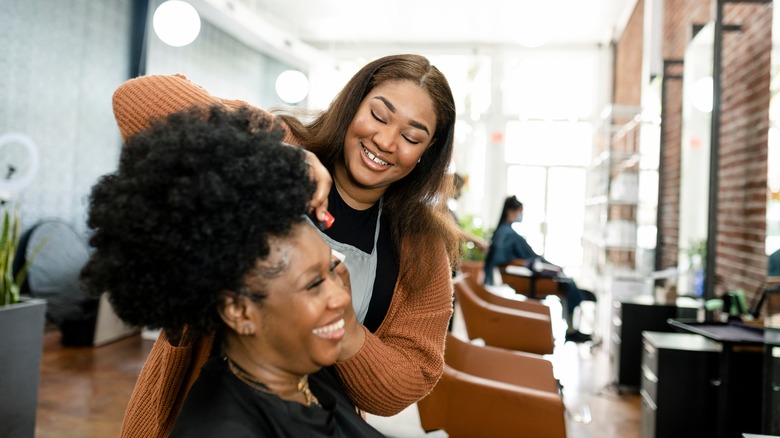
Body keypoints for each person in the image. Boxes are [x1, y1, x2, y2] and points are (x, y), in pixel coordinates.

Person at [110, 54, 461, 437]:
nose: (385, 141)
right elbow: (135, 99)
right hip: (207, 404)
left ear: (428, 153)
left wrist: (344, 329)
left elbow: (409, 379)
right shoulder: (278, 142)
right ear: (353, 105)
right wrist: (272, 159)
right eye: (378, 115)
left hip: (318, 417)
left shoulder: (421, 244)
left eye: (412, 137)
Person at [81, 106, 385, 437]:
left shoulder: (301, 373)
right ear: (239, 311)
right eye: (314, 284)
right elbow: (134, 98)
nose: (341, 298)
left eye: (332, 270)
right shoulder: (223, 428)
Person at [483, 195, 593, 343]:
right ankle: (572, 329)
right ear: (511, 211)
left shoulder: (505, 231)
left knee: (568, 282)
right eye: (520, 211)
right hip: (527, 277)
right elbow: (508, 260)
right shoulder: (507, 233)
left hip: (530, 270)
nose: (521, 215)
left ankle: (573, 325)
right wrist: (539, 266)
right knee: (568, 284)